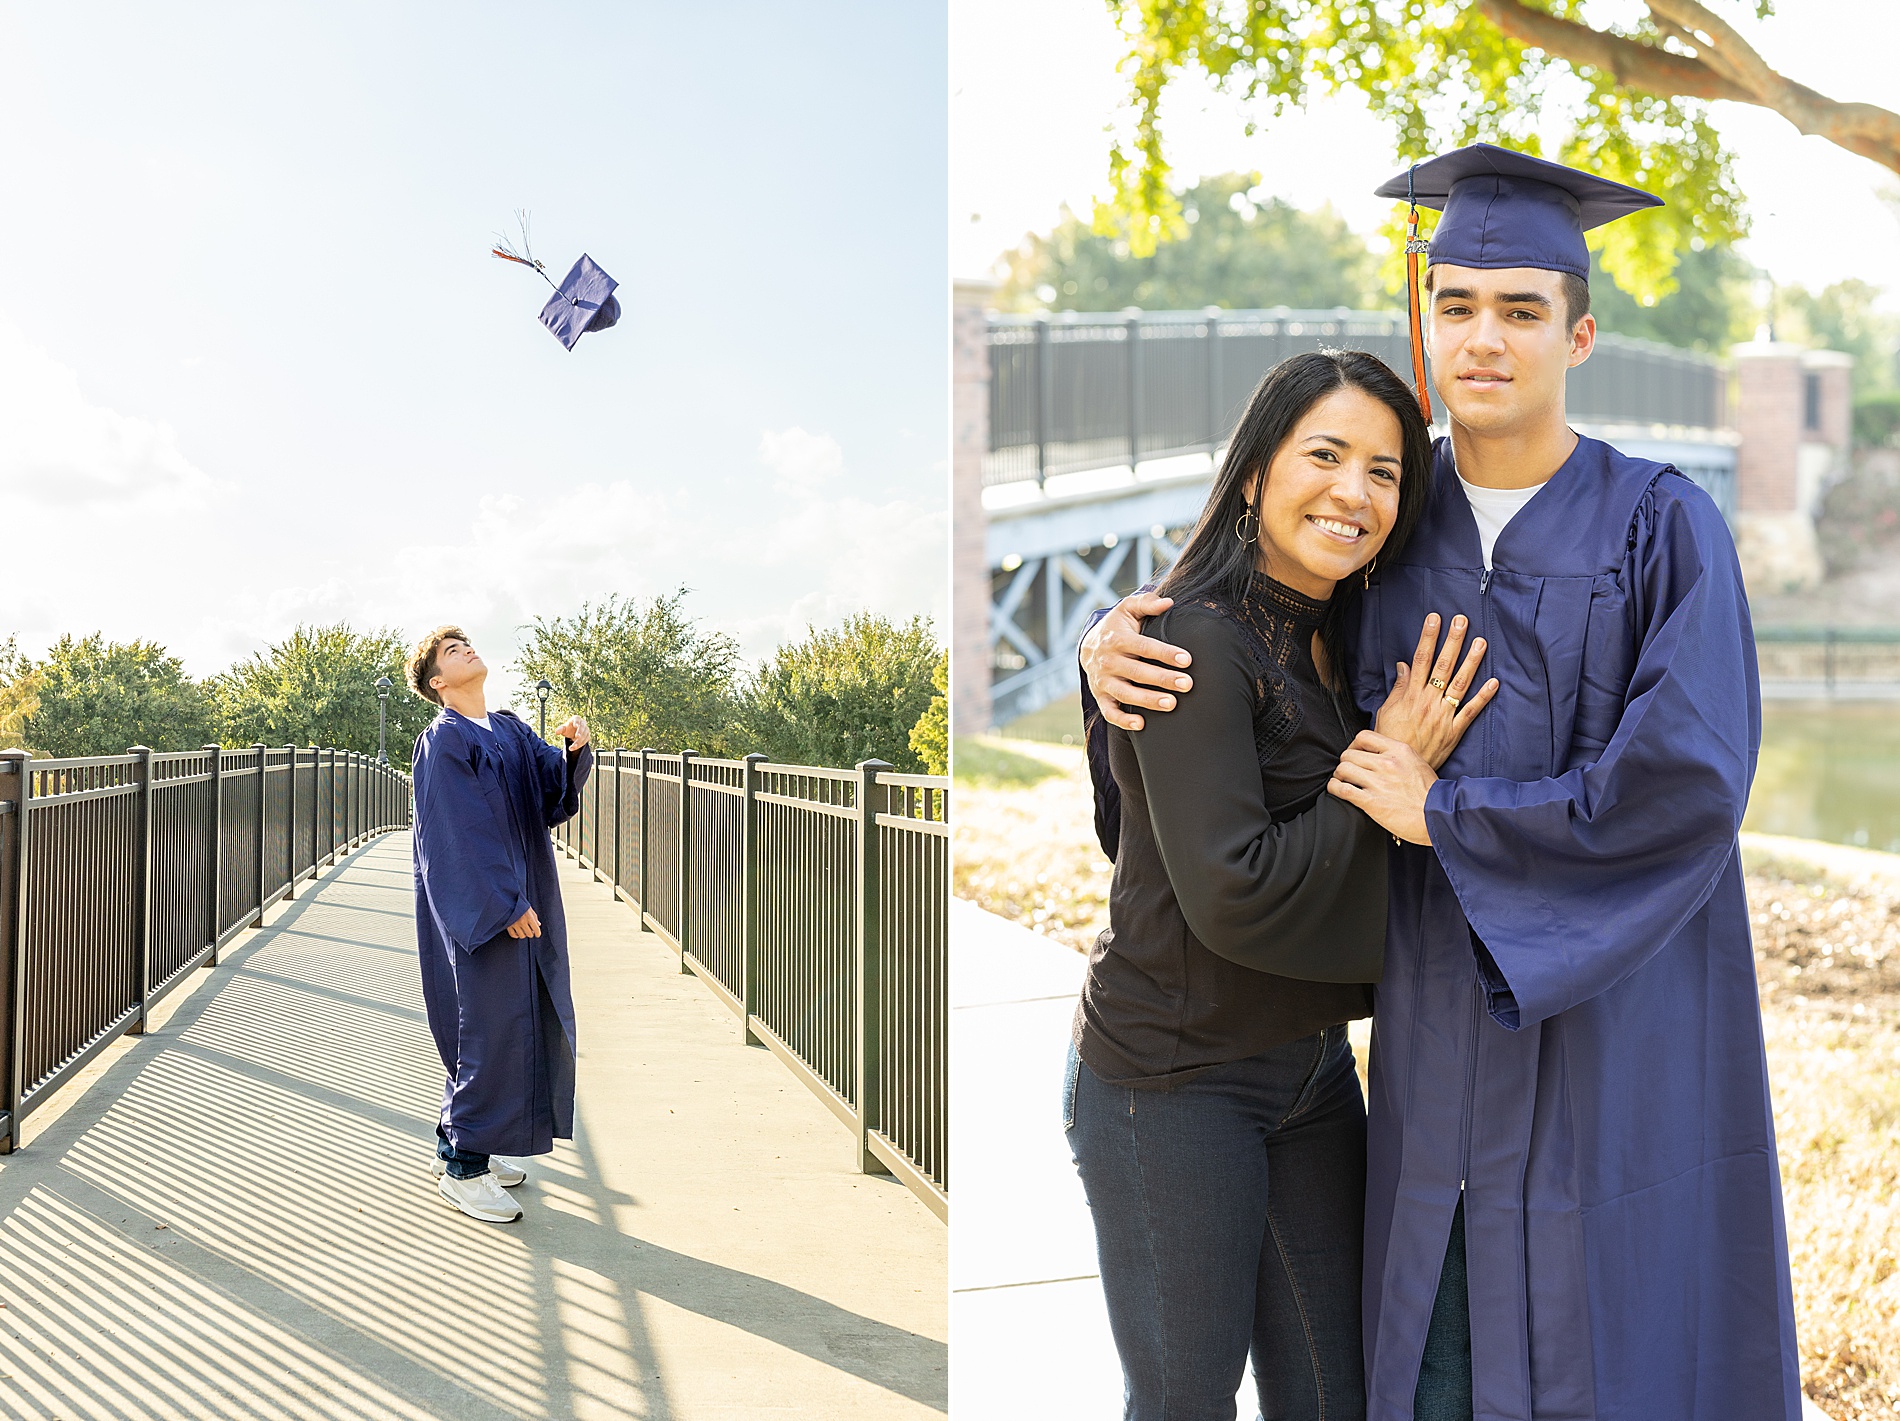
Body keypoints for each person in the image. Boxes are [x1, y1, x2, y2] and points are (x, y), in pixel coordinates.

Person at [1082, 145, 1799, 1419]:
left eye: (1521, 310)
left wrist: (1443, 812)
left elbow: (1687, 779)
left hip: (1618, 1012)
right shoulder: (1386, 531)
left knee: (1616, 1320)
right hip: (1430, 1024)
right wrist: (1116, 649)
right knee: (1430, 1345)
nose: (1484, 339)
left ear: (1578, 335)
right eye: (1455, 305)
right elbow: (1254, 657)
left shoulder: (1660, 526)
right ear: (1424, 320)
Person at [1068, 348, 1497, 1421]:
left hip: (1309, 1074)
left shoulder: (1341, 634)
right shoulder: (1193, 644)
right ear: (1255, 470)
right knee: (1183, 1398)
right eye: (1325, 454)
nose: (1354, 492)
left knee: (1334, 1393)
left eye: (1386, 471)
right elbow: (1234, 894)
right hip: (1169, 1080)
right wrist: (1381, 768)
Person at [405, 626, 592, 1224]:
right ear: (438, 682)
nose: (466, 650)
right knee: (486, 1026)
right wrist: (504, 906)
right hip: (483, 911)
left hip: (524, 891)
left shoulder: (507, 729)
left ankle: (459, 1139)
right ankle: (464, 1166)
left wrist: (572, 751)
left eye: (467, 644)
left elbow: (549, 794)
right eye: (451, 651)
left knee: (518, 1020)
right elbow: (454, 836)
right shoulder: (444, 742)